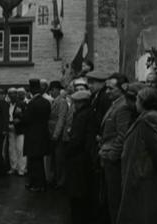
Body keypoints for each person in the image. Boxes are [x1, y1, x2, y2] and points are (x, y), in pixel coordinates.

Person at [117, 87, 157, 224]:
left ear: (143, 102)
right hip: (145, 177)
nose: (135, 103)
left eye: (138, 100)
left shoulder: (148, 119)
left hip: (145, 180)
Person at [98, 73, 134, 224]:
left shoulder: (123, 107)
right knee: (109, 199)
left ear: (122, 89)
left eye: (111, 89)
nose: (107, 92)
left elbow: (123, 135)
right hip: (107, 157)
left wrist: (112, 155)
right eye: (106, 88)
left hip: (114, 162)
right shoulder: (116, 105)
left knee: (115, 200)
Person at [85, 71, 112, 224]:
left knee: (100, 184)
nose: (89, 86)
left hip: (99, 143)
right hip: (94, 143)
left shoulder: (103, 98)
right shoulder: (97, 97)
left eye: (92, 82)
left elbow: (103, 120)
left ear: (102, 83)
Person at [65, 90, 93, 224]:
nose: (74, 105)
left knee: (77, 190)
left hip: (78, 157)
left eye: (75, 102)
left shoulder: (81, 116)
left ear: (81, 103)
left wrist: (68, 151)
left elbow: (77, 138)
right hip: (83, 156)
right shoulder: (88, 113)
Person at [23, 79, 51, 191]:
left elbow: (27, 119)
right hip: (42, 134)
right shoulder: (45, 102)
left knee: (34, 162)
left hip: (32, 136)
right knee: (38, 161)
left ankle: (37, 184)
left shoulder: (32, 103)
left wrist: (21, 114)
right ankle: (38, 182)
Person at [48, 81, 69, 188]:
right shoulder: (55, 101)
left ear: (56, 89)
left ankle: (60, 182)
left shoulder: (62, 102)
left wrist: (56, 134)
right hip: (53, 134)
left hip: (58, 136)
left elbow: (61, 119)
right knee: (54, 159)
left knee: (59, 159)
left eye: (52, 90)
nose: (51, 92)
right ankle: (55, 179)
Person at [12, 88, 27, 176]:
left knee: (21, 150)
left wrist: (20, 119)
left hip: (23, 130)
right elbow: (15, 114)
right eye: (19, 93)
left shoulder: (25, 103)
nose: (20, 95)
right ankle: (18, 167)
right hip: (18, 130)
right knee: (17, 150)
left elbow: (26, 116)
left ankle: (22, 169)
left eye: (22, 93)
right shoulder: (18, 103)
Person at [6, 88, 19, 175]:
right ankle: (13, 167)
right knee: (11, 149)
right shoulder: (7, 105)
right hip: (9, 128)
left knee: (19, 149)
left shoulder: (20, 104)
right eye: (10, 94)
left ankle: (21, 169)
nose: (11, 96)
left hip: (18, 128)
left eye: (13, 94)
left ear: (16, 94)